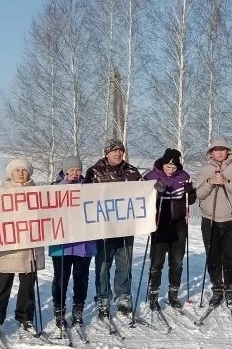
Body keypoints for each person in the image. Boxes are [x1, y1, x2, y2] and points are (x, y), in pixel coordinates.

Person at [0, 158, 46, 334]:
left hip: (30, 246)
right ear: (10, 173)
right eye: (17, 170)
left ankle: (26, 317)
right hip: (8, 246)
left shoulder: (38, 192)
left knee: (27, 285)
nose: (21, 173)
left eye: (25, 170)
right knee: (2, 284)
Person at [86, 139, 141, 320]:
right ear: (106, 153)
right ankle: (102, 298)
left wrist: (155, 189)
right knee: (103, 265)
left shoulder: (132, 172)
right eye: (114, 151)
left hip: (126, 227)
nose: (118, 154)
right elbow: (85, 197)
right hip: (104, 228)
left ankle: (123, 297)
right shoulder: (94, 172)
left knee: (124, 264)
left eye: (120, 151)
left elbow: (143, 194)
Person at [195, 137, 232, 308]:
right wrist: (211, 182)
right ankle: (217, 288)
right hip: (209, 219)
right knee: (212, 257)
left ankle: (230, 288)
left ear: (228, 151)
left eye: (222, 149)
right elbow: (198, 194)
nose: (219, 152)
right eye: (216, 149)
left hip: (231, 219)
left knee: (230, 256)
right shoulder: (205, 170)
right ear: (211, 152)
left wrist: (226, 182)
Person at [142, 148, 196, 309]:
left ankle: (173, 295)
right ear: (162, 164)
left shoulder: (184, 177)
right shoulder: (151, 176)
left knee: (177, 262)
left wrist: (191, 192)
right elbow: (143, 199)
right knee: (157, 262)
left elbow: (191, 201)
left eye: (173, 167)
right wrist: (156, 193)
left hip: (179, 223)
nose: (171, 170)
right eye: (168, 167)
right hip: (160, 223)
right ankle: (153, 295)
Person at [48, 155, 95, 329]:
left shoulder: (88, 187)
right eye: (71, 170)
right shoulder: (55, 187)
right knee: (61, 279)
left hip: (84, 242)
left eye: (77, 170)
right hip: (62, 243)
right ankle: (59, 311)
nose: (75, 173)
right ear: (65, 171)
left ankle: (78, 311)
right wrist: (66, 184)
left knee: (81, 278)